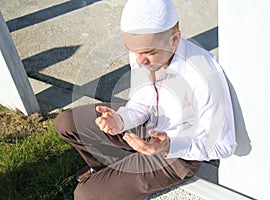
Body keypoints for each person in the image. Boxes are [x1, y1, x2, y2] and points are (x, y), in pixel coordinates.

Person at [55, 0, 237, 199]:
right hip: (149, 124)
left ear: (174, 39)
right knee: (67, 122)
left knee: (84, 195)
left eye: (147, 52)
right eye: (133, 50)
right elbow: (142, 101)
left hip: (175, 155)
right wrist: (121, 120)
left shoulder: (203, 76)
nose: (139, 60)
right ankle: (107, 171)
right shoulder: (143, 53)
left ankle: (110, 180)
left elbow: (224, 145)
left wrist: (168, 145)